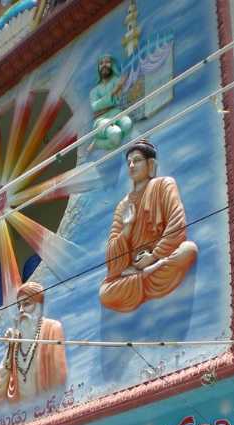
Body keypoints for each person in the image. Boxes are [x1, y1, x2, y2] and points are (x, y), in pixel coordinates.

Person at [99, 139, 198, 313]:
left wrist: (153, 256)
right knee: (105, 293)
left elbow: (177, 222)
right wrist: (127, 227)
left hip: (158, 261)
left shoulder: (164, 185)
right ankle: (143, 275)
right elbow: (112, 261)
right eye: (129, 162)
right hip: (133, 271)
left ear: (150, 164)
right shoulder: (123, 206)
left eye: (137, 160)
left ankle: (145, 273)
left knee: (188, 250)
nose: (131, 165)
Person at [0, 281, 67, 406]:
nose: (21, 310)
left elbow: (59, 377)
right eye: (19, 306)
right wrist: (9, 348)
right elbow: (0, 395)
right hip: (21, 413)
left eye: (26, 304)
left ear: (39, 306)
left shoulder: (52, 328)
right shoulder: (16, 341)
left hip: (49, 407)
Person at [89, 54, 132, 151]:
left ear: (112, 65)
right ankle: (98, 143)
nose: (104, 65)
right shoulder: (94, 91)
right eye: (101, 63)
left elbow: (118, 98)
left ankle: (102, 142)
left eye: (107, 62)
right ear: (98, 68)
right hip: (101, 119)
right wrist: (114, 91)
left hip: (116, 113)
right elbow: (95, 106)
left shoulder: (117, 81)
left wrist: (116, 91)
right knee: (115, 134)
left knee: (127, 124)